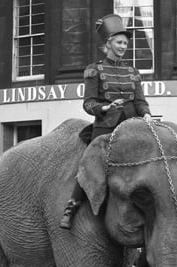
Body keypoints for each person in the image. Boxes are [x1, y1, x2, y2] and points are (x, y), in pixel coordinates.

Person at [59, 13, 151, 229]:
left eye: (125, 44)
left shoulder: (133, 72)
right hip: (105, 125)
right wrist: (105, 108)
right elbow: (88, 103)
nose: (122, 47)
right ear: (108, 43)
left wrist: (146, 113)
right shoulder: (95, 70)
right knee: (91, 163)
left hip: (131, 126)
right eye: (119, 42)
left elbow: (140, 101)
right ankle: (71, 207)